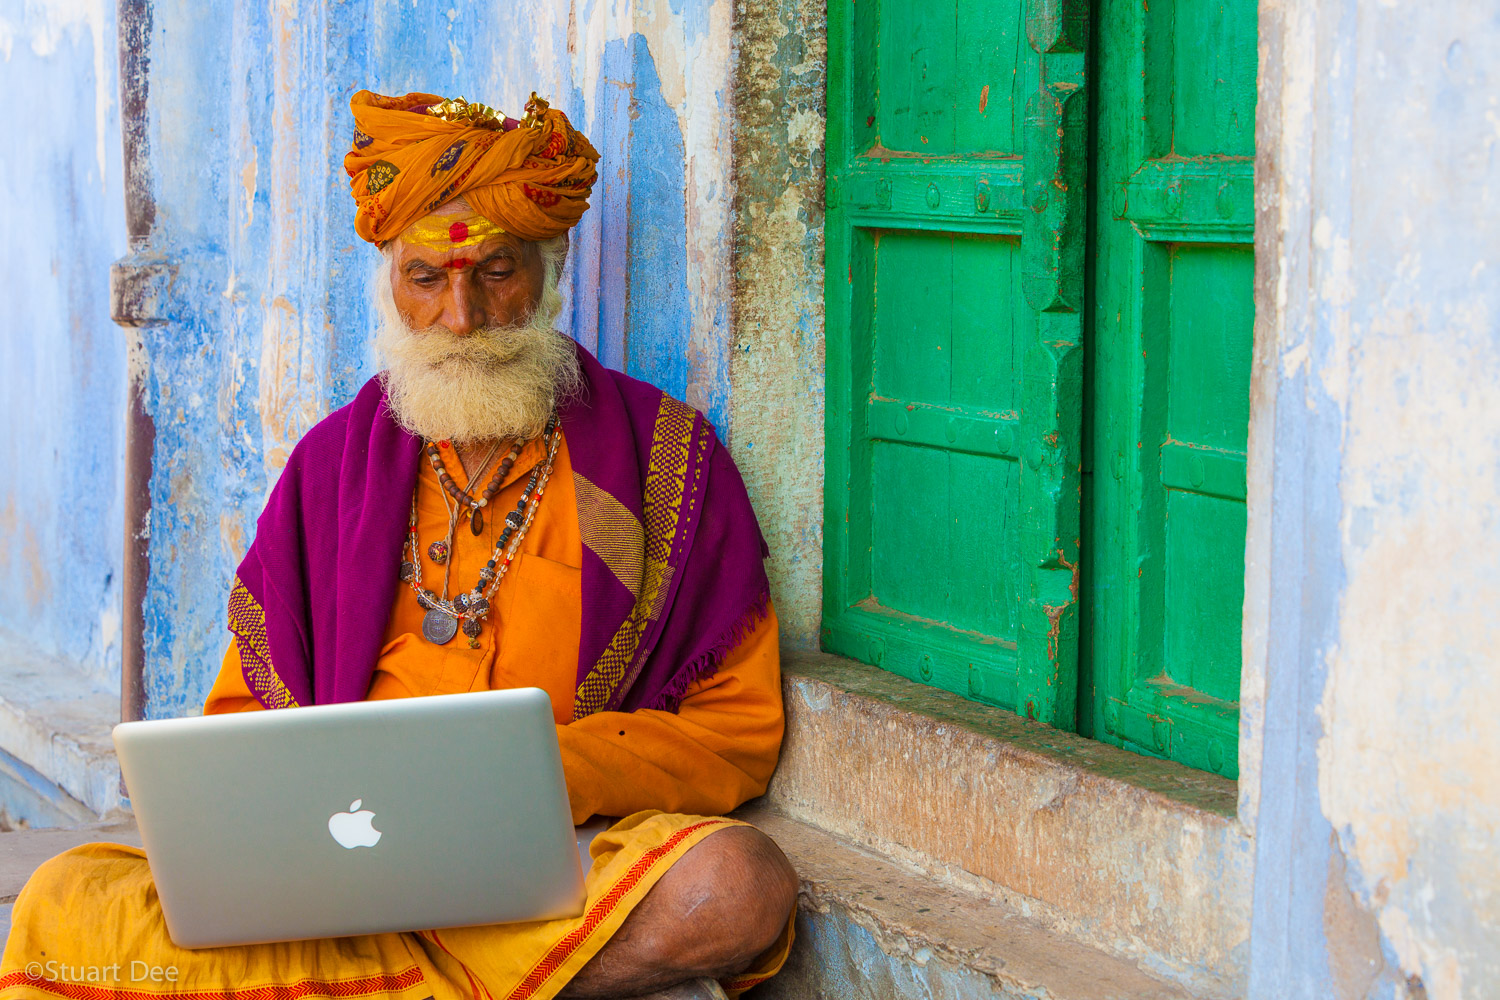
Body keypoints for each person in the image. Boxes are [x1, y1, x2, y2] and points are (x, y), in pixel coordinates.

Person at [0, 90, 797, 1000]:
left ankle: (362, 984)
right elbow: (239, 719)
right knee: (64, 900)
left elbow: (735, 735)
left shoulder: (657, 462)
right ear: (391, 283)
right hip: (340, 858)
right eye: (428, 279)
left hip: (552, 862)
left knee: (736, 886)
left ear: (550, 270)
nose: (462, 316)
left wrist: (538, 778)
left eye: (496, 271)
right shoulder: (333, 467)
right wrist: (294, 819)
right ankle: (483, 985)